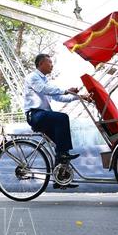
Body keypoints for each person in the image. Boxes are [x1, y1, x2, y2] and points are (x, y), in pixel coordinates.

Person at [23, 54, 90, 188]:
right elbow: (44, 90)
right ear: (41, 64)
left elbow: (59, 97)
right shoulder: (33, 77)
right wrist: (66, 90)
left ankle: (60, 180)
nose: (52, 65)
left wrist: (79, 97)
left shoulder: (45, 80)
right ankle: (62, 155)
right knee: (62, 118)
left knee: (60, 145)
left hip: (44, 115)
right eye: (49, 62)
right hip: (35, 115)